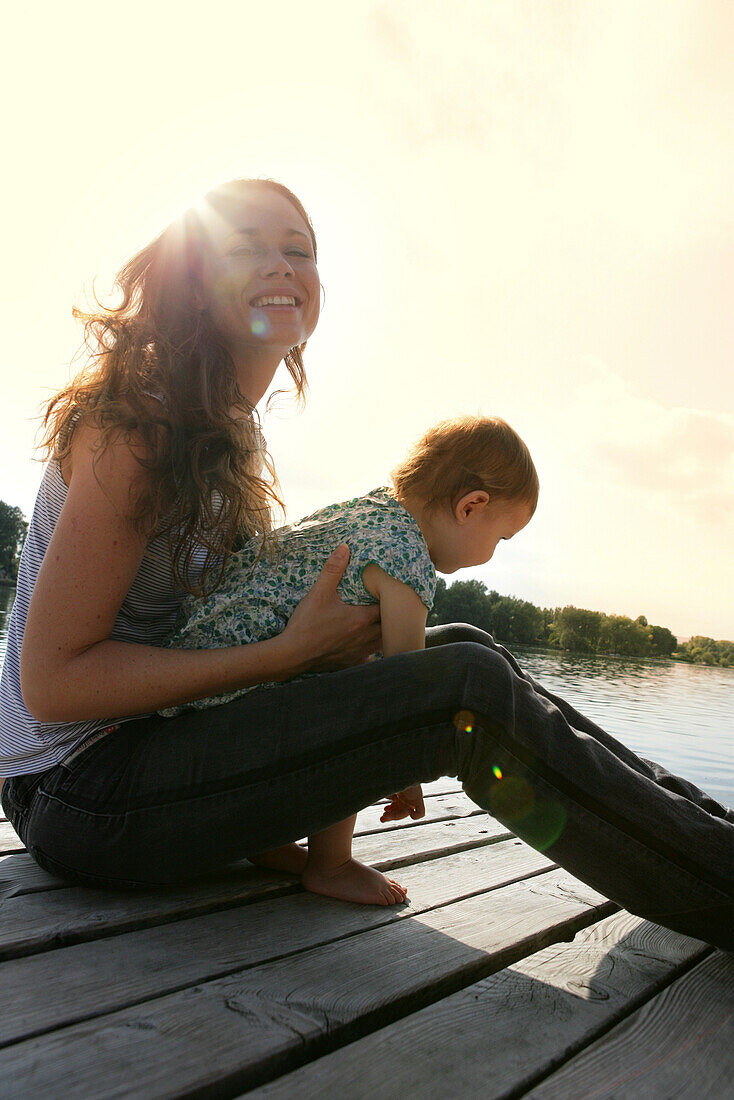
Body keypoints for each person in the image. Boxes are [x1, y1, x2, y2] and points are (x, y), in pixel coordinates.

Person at [0, 178, 731, 951]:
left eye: (299, 251)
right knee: (462, 690)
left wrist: (302, 653)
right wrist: (286, 656)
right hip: (75, 791)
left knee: (466, 649)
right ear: (197, 287)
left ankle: (707, 832)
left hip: (150, 751)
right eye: (246, 248)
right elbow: (55, 685)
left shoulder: (230, 437)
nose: (281, 266)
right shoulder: (141, 431)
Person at [159, 415, 537, 905]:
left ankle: (268, 840)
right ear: (471, 507)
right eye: (500, 539)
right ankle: (331, 864)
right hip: (231, 699)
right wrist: (407, 775)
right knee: (358, 692)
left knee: (338, 676)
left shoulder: (369, 513)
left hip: (195, 684)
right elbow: (404, 693)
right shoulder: (406, 560)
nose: (491, 555)